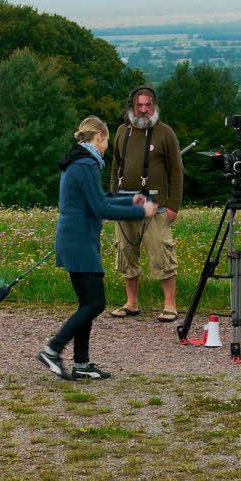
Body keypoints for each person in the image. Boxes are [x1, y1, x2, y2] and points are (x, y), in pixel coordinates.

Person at [37, 116, 157, 381]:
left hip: (75, 240)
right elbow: (100, 208)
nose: (106, 148)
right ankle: (52, 349)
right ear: (99, 138)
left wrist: (130, 199)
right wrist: (141, 211)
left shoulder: (78, 163)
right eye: (106, 142)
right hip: (79, 242)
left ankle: (81, 363)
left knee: (86, 304)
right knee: (95, 303)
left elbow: (99, 198)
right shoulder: (87, 164)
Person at [108, 85, 184, 322]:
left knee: (161, 252)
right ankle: (131, 303)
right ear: (132, 107)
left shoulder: (165, 133)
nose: (143, 110)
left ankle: (169, 305)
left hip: (156, 204)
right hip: (124, 202)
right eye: (139, 105)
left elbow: (176, 171)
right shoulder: (122, 131)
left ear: (154, 107)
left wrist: (173, 206)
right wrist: (112, 198)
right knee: (126, 253)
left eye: (147, 105)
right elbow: (115, 166)